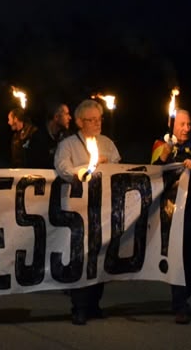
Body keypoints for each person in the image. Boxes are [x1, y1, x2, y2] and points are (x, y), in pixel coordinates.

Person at [53, 99, 121, 326]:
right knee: (80, 257)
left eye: (99, 119)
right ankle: (79, 307)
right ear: (80, 122)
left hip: (103, 209)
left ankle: (94, 304)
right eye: (91, 120)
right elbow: (62, 168)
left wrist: (107, 164)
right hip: (77, 212)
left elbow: (119, 168)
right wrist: (81, 171)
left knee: (99, 256)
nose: (97, 123)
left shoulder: (108, 143)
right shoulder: (69, 145)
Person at [151, 109, 191, 325]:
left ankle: (183, 298)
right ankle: (180, 305)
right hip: (171, 213)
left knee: (190, 260)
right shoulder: (162, 145)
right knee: (177, 259)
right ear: (173, 125)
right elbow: (153, 173)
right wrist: (165, 154)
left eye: (189, 124)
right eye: (183, 124)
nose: (187, 128)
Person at [26, 103, 72, 168]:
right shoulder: (38, 138)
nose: (70, 117)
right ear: (56, 117)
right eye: (66, 114)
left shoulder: (66, 136)